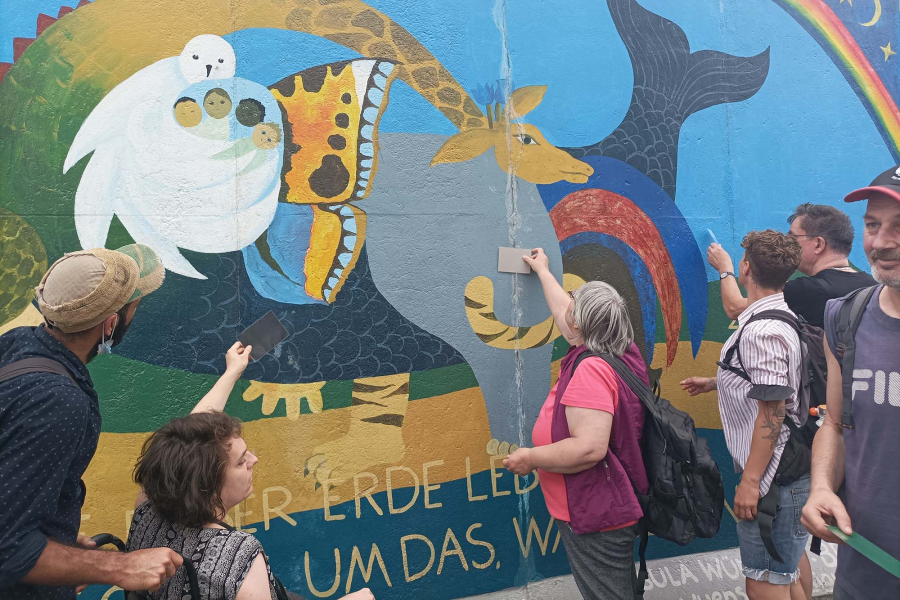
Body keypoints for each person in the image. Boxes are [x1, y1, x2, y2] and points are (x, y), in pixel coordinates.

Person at [0, 246, 184, 599]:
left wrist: (61, 544)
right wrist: (120, 567)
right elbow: (9, 550)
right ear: (111, 323)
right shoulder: (57, 401)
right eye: (134, 305)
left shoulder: (16, 344)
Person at [127, 342, 375, 600]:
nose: (254, 460)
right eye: (240, 461)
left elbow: (185, 445)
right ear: (209, 486)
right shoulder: (239, 557)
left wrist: (232, 372)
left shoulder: (147, 508)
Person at [503, 248, 648, 600]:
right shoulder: (622, 350)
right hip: (611, 505)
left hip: (597, 513)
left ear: (581, 324)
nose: (566, 307)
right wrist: (542, 271)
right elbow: (567, 316)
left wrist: (531, 458)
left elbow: (589, 448)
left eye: (574, 303)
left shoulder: (591, 370)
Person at [680, 230, 812, 600]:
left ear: (746, 267)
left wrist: (752, 482)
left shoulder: (761, 332)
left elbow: (773, 410)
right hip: (790, 475)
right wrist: (716, 382)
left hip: (775, 480)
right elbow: (772, 383)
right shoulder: (781, 313)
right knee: (785, 574)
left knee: (763, 582)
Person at [801, 166, 900, 600]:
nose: (881, 243)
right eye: (873, 224)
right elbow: (835, 426)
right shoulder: (845, 317)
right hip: (863, 574)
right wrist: (821, 487)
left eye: (899, 227)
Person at [710, 204, 875, 327]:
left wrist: (725, 268)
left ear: (818, 244)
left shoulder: (807, 290)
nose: (788, 244)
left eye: (793, 238)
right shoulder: (873, 286)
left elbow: (734, 307)